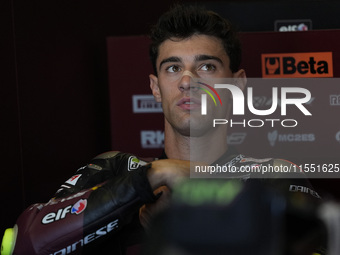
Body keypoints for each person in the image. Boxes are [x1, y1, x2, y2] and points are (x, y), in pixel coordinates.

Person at [1, 4, 324, 255]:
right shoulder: (114, 169)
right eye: (173, 68)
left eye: (206, 66)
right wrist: (151, 177)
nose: (188, 81)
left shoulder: (272, 175)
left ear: (237, 84)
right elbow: (21, 243)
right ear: (155, 88)